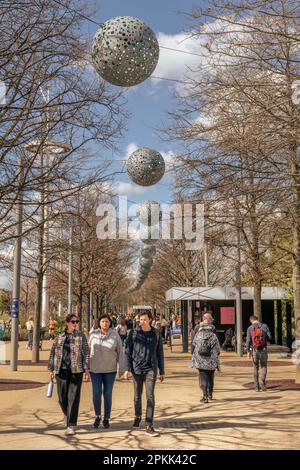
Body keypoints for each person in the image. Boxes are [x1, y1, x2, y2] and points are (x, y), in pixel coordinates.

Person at [123, 311, 165, 437]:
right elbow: (127, 352)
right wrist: (127, 369)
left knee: (150, 396)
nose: (142, 322)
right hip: (136, 368)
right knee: (137, 396)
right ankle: (137, 416)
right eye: (141, 319)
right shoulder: (133, 333)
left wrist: (162, 371)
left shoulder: (156, 334)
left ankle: (149, 424)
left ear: (150, 320)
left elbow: (160, 353)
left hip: (151, 368)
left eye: (145, 319)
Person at [48, 313, 89, 436]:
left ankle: (71, 424)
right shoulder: (59, 337)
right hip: (61, 370)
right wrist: (51, 370)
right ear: (67, 322)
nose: (75, 324)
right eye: (73, 321)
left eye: (77, 321)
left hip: (76, 370)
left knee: (74, 397)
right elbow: (52, 353)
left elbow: (86, 353)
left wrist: (87, 370)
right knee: (62, 397)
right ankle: (67, 413)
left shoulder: (81, 336)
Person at [89, 314, 125, 429]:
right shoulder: (93, 334)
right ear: (99, 323)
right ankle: (98, 415)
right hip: (95, 370)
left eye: (107, 322)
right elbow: (87, 350)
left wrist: (122, 370)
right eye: (103, 321)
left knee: (108, 394)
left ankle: (106, 418)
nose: (105, 323)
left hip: (110, 370)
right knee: (96, 393)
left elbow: (120, 352)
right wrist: (85, 369)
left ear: (110, 323)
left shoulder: (115, 335)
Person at [191, 320, 220, 403]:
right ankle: (210, 394)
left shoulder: (198, 335)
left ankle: (205, 396)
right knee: (211, 378)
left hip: (200, 360)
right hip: (212, 360)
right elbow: (218, 347)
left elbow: (194, 344)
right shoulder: (213, 336)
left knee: (203, 378)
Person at [246, 315, 271, 392]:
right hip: (263, 349)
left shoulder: (250, 328)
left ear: (251, 320)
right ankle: (262, 380)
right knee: (264, 366)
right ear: (257, 319)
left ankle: (256, 387)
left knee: (255, 368)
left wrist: (248, 351)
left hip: (254, 350)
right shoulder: (264, 326)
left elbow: (248, 341)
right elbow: (270, 337)